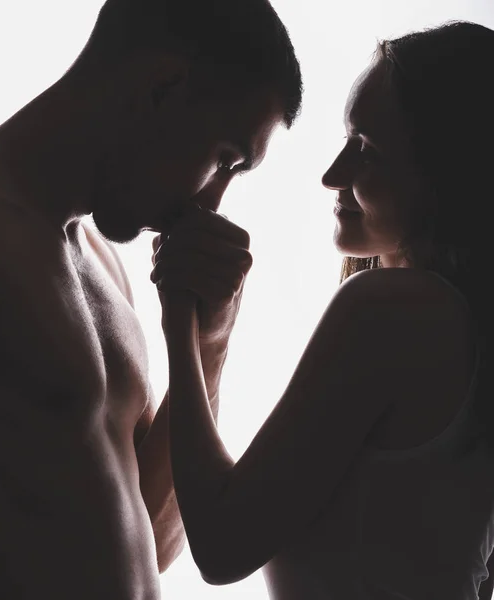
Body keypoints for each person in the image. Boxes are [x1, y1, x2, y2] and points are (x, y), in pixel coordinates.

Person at [0, 0, 302, 597]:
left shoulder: (105, 264)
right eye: (222, 161)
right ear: (163, 88)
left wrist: (207, 339)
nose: (211, 203)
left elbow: (157, 541)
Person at [154, 20, 494, 600]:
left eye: (366, 150)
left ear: (445, 172)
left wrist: (181, 314)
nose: (331, 174)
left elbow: (221, 543)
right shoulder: (466, 326)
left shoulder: (394, 311)